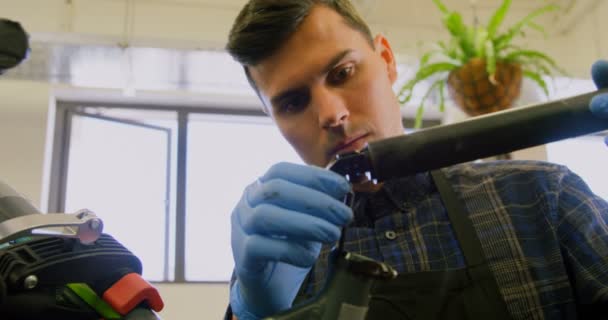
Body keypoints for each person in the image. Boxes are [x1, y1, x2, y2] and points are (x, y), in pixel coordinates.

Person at [224, 1, 608, 319]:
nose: (330, 114)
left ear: (387, 61)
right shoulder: (278, 263)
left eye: (343, 73)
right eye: (293, 102)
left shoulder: (544, 197)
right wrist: (253, 313)